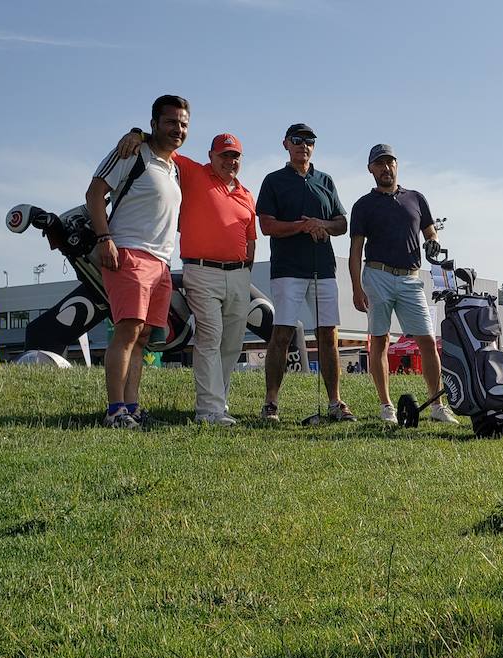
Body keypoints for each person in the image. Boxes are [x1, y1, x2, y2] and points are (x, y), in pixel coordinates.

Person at [116, 129, 258, 426]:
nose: (229, 161)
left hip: (238, 275)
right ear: (211, 156)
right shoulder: (195, 172)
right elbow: (164, 143)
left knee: (231, 343)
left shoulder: (246, 194)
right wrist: (137, 133)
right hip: (202, 270)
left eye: (235, 156)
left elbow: (250, 239)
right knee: (210, 336)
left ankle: (219, 403)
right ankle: (208, 411)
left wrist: (246, 270)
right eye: (224, 155)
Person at [85, 95, 188, 429]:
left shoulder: (174, 167)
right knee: (127, 332)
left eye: (184, 123)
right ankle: (115, 410)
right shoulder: (131, 153)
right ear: (154, 123)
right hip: (128, 252)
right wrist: (105, 239)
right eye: (171, 122)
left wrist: (140, 133)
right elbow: (94, 193)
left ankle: (132, 406)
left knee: (143, 338)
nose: (178, 129)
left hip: (161, 262)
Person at [348, 144, 459, 424]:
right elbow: (355, 251)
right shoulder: (363, 205)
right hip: (377, 276)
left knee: (426, 341)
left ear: (397, 165)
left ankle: (437, 406)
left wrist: (433, 242)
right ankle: (386, 407)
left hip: (410, 278)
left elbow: (431, 233)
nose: (386, 168)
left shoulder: (416, 198)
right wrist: (355, 289)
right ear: (371, 169)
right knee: (380, 340)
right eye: (380, 164)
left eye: (390, 162)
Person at [255, 123, 355, 422]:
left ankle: (335, 403)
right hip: (288, 269)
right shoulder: (273, 181)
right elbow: (267, 226)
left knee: (329, 335)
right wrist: (303, 225)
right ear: (286, 144)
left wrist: (322, 225)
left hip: (323, 270)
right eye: (297, 140)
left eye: (309, 140)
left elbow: (341, 224)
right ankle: (271, 403)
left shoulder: (325, 180)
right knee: (282, 333)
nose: (304, 145)